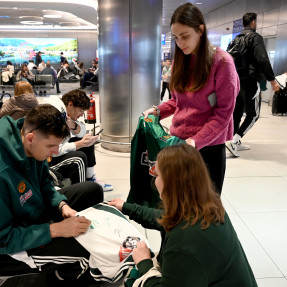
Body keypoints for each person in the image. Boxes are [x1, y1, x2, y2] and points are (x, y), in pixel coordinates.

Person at [109, 144, 257, 287]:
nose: (155, 181)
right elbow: (166, 217)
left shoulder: (183, 244)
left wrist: (144, 263)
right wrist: (127, 207)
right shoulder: (209, 205)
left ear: (170, 183)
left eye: (158, 174)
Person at [0, 104, 103, 284]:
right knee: (84, 250)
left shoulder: (29, 143)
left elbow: (45, 184)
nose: (56, 152)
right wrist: (55, 230)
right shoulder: (3, 172)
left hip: (32, 217)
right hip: (11, 243)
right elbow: (4, 240)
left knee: (92, 191)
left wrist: (62, 205)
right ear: (31, 138)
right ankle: (56, 278)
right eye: (51, 146)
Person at [144, 3, 239, 194]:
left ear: (200, 30)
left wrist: (196, 141)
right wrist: (157, 111)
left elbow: (224, 113)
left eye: (185, 36)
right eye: (176, 37)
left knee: (205, 206)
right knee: (178, 201)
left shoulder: (222, 62)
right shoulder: (182, 60)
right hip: (180, 142)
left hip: (208, 146)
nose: (180, 43)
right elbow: (178, 100)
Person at [225, 12, 280, 157]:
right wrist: (272, 81)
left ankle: (232, 140)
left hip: (236, 82)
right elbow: (262, 59)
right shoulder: (255, 38)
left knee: (237, 112)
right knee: (253, 114)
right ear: (254, 23)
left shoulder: (236, 39)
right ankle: (235, 141)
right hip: (251, 81)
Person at [45, 89, 113, 192]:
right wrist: (79, 144)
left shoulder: (66, 115)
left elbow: (82, 131)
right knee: (79, 159)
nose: (82, 114)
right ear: (70, 104)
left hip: (54, 153)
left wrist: (74, 126)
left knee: (87, 139)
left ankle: (90, 178)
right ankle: (80, 193)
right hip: (48, 161)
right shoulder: (56, 116)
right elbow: (53, 150)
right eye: (81, 111)